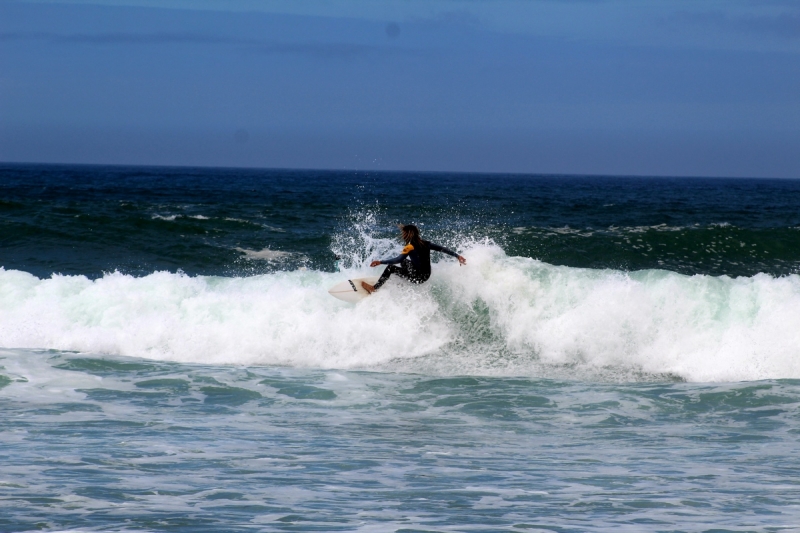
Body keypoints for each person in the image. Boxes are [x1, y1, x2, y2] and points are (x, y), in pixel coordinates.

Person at [362, 224, 466, 293]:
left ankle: (374, 288)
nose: (402, 235)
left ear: (407, 235)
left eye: (403, 233)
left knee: (391, 268)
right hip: (426, 276)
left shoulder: (409, 246)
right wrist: (458, 256)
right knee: (405, 262)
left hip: (418, 278)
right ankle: (402, 281)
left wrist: (380, 262)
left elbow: (397, 260)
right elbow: (443, 249)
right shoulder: (427, 243)